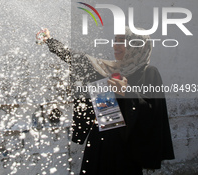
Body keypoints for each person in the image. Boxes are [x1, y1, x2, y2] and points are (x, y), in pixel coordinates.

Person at [39, 27, 175, 175]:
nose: (115, 45)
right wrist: (49, 41)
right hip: (99, 144)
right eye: (115, 40)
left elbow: (153, 113)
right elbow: (76, 58)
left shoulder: (149, 73)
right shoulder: (107, 70)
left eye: (122, 41)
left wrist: (127, 92)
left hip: (126, 152)